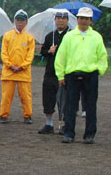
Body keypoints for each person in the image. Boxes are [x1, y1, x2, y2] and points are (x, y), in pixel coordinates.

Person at [54, 7, 107, 144]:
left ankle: (89, 134)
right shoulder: (69, 37)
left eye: (86, 18)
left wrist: (100, 70)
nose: (83, 21)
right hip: (72, 75)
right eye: (81, 18)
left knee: (90, 106)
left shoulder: (96, 37)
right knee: (71, 105)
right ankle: (69, 133)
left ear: (90, 21)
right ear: (77, 19)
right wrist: (61, 75)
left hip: (91, 75)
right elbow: (61, 57)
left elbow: (102, 56)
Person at [0, 10, 35, 124]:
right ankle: (4, 115)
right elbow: (4, 53)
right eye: (18, 19)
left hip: (23, 73)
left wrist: (21, 67)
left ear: (26, 22)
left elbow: (30, 55)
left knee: (26, 96)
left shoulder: (29, 38)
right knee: (6, 96)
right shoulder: (7, 36)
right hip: (8, 72)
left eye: (22, 20)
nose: (20, 22)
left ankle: (27, 115)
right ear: (14, 20)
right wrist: (10, 65)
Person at [38, 11, 70, 134]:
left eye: (63, 18)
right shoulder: (49, 36)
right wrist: (49, 51)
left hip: (65, 72)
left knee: (65, 100)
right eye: (58, 18)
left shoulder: (70, 36)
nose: (61, 21)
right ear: (55, 20)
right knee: (48, 98)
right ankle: (49, 123)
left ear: (67, 20)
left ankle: (65, 124)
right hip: (50, 72)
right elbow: (43, 52)